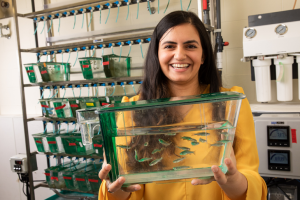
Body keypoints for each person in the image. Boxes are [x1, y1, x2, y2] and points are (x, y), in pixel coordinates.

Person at [98, 11, 267, 200]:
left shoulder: (231, 105)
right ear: (157, 54)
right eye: (169, 46)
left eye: (190, 46)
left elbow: (251, 186)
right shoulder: (131, 110)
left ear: (203, 55)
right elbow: (120, 191)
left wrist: (233, 179)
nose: (179, 55)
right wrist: (114, 185)